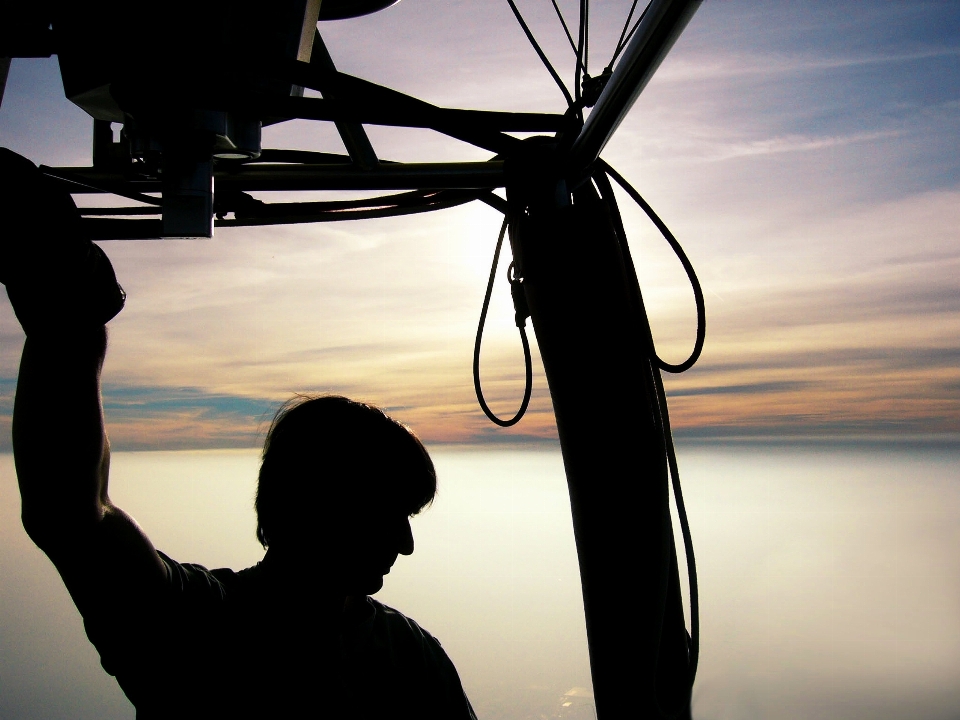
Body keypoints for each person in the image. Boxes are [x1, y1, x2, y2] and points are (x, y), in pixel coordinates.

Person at [1, 147, 477, 719]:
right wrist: (68, 316)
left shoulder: (415, 658)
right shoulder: (194, 629)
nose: (405, 543)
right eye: (384, 514)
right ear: (315, 507)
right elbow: (68, 514)